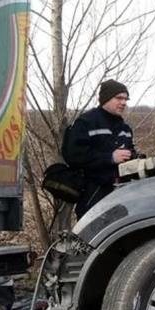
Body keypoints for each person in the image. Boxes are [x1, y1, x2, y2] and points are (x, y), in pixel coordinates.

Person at [64, 79, 135, 219]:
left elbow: (130, 151)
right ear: (105, 99)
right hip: (92, 195)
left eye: (126, 99)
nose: (123, 103)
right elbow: (73, 155)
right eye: (119, 98)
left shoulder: (125, 128)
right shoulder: (86, 122)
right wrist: (110, 158)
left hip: (121, 196)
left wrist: (133, 156)